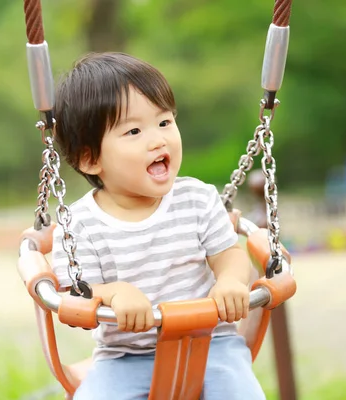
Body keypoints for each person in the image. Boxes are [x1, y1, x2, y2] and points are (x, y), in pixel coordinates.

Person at [51, 52, 265, 400]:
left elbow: (230, 256)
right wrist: (114, 291)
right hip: (124, 358)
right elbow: (76, 293)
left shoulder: (197, 198)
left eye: (165, 122)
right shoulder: (79, 225)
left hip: (211, 344)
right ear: (90, 158)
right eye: (134, 130)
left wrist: (229, 281)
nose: (158, 140)